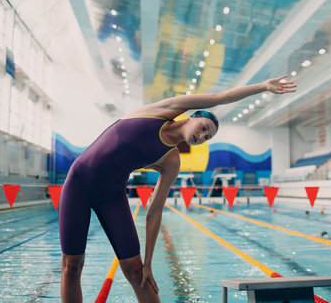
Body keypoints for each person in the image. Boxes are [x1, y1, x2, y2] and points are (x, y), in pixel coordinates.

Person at [59, 76, 296, 302]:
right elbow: (219, 97)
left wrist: (149, 263)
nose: (201, 136)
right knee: (72, 265)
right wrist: (264, 87)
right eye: (203, 127)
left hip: (112, 195)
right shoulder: (161, 111)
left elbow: (154, 211)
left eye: (207, 138)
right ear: (191, 117)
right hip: (79, 182)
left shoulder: (171, 161)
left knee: (136, 271)